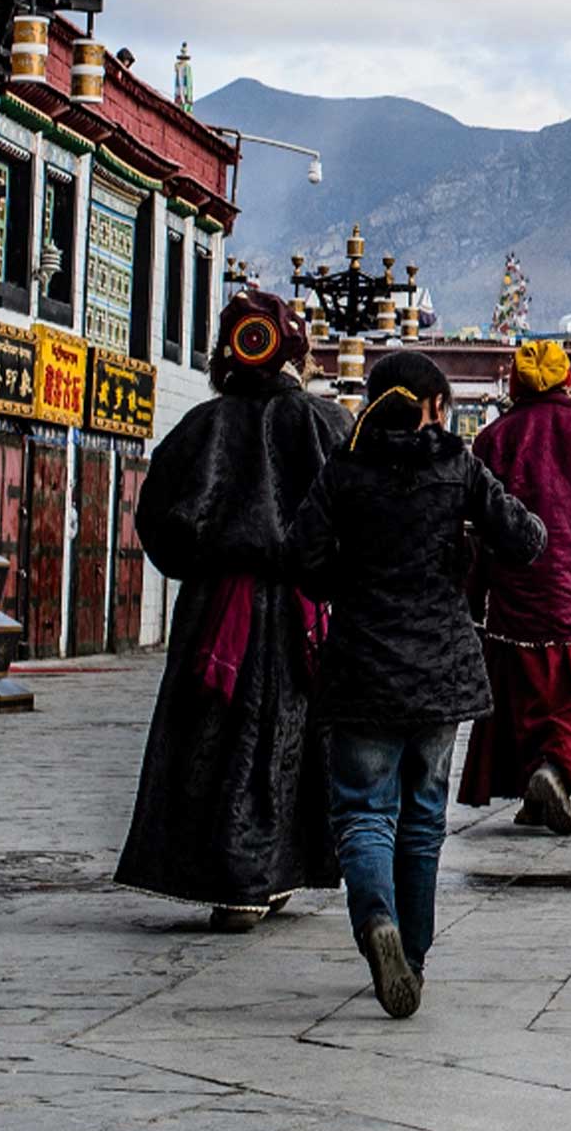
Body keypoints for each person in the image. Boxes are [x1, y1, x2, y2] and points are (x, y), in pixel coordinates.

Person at [289, 351, 545, 1018]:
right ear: (433, 406)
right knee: (424, 820)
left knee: (364, 811)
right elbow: (525, 539)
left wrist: (353, 580)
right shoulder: (457, 469)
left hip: (363, 664)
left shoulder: (344, 471)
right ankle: (416, 957)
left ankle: (378, 921)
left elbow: (302, 557)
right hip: (439, 667)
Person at [116, 290, 349, 933]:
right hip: (303, 610)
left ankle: (237, 875)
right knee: (283, 740)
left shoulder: (202, 427)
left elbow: (158, 519)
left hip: (215, 614)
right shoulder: (326, 424)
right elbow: (359, 513)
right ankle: (260, 877)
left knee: (216, 739)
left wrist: (206, 561)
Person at [458, 341, 571, 833]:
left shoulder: (493, 438)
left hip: (515, 595)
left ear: (515, 385)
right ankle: (554, 771)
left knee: (524, 698)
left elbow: (475, 523)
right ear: (568, 382)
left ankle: (534, 790)